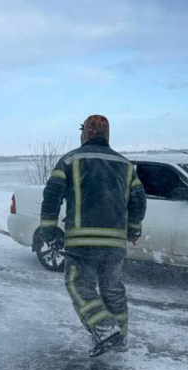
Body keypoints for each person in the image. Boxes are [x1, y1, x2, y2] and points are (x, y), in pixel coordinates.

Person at [40, 115, 146, 357]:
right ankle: (121, 339)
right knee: (113, 289)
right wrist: (134, 229)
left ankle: (106, 331)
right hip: (115, 242)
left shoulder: (70, 160)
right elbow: (138, 199)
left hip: (82, 241)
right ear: (107, 135)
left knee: (78, 285)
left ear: (84, 135)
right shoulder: (125, 164)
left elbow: (52, 196)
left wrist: (48, 230)